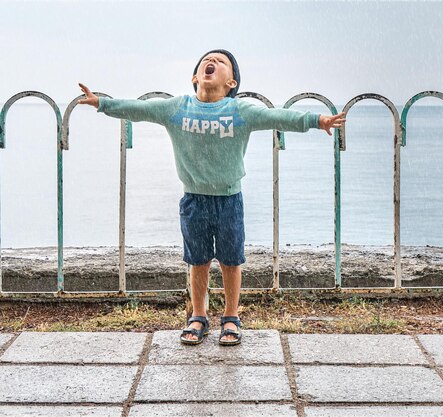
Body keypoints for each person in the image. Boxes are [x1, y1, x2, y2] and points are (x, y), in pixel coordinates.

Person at [78, 49, 346, 346]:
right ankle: (198, 316)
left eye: (221, 62)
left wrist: (316, 119)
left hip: (229, 200)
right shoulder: (178, 108)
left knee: (231, 261)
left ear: (231, 83)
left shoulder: (239, 111)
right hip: (193, 199)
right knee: (198, 260)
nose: (212, 63)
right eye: (208, 60)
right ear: (195, 77)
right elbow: (139, 110)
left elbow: (277, 116)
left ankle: (231, 317)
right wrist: (103, 103)